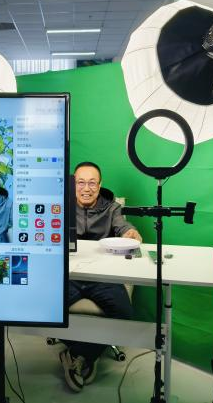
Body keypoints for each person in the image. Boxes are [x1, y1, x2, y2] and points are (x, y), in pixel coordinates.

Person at [60, 161, 142, 392]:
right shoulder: (62, 204)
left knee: (124, 314)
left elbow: (123, 226)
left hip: (102, 277)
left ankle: (80, 354)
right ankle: (86, 353)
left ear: (100, 185)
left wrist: (130, 233)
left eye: (92, 183)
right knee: (46, 308)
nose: (86, 188)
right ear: (73, 184)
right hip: (70, 275)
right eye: (80, 183)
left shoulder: (112, 208)